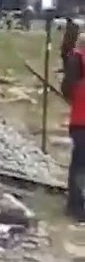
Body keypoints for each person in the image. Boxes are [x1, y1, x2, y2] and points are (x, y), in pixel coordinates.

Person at [60, 24, 85, 221]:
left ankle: (76, 205)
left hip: (80, 117)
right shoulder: (77, 59)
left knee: (79, 163)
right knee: (79, 163)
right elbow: (68, 87)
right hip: (81, 120)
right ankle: (76, 206)